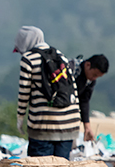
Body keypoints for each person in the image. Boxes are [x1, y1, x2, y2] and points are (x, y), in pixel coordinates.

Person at [14, 26, 81, 158]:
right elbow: (72, 88)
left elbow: (24, 93)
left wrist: (20, 117)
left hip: (43, 125)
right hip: (69, 125)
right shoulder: (61, 56)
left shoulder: (28, 59)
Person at [75, 54, 110, 141]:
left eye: (97, 77)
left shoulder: (89, 80)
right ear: (87, 65)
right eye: (94, 75)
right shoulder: (72, 71)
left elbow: (84, 101)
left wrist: (87, 127)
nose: (94, 78)